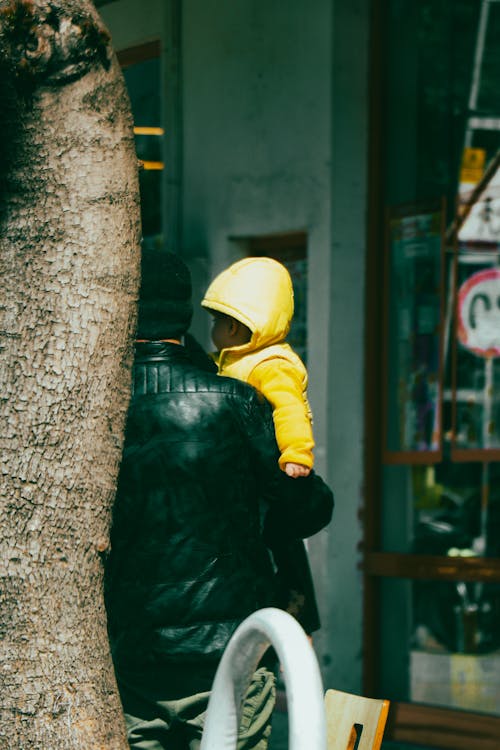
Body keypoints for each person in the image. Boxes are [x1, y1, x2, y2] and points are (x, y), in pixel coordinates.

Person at [105, 250, 334, 750]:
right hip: (229, 653)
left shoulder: (95, 404)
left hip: (130, 655)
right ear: (186, 315)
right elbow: (309, 510)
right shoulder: (235, 398)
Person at [201, 256, 314, 479]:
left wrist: (296, 454)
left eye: (216, 322)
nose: (213, 329)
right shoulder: (230, 360)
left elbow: (290, 409)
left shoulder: (272, 365)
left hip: (268, 465)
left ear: (232, 327)